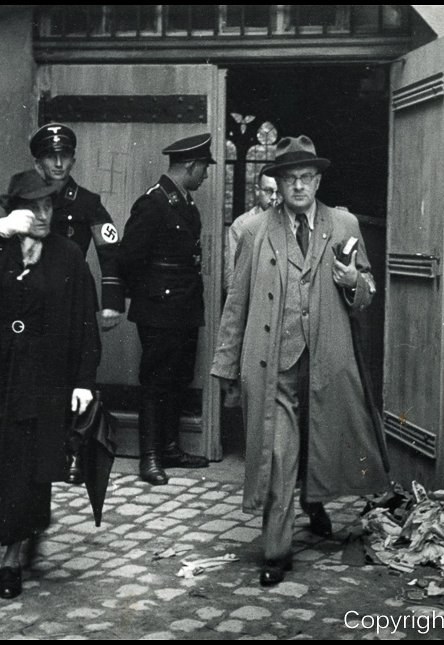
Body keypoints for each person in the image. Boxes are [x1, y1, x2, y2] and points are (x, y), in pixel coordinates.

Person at [210, 135, 390, 586]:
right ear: (278, 182)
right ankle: (276, 549)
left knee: (321, 443)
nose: (298, 187)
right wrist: (226, 368)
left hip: (327, 362)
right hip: (274, 364)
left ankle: (314, 503)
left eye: (307, 178)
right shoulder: (254, 230)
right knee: (278, 450)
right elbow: (237, 302)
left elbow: (367, 292)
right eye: (289, 179)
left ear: (318, 180)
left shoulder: (344, 224)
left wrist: (353, 281)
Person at [0, 170, 101, 600]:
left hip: (43, 379)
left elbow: (86, 323)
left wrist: (84, 381)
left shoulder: (68, 255)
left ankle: (11, 556)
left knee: (23, 463)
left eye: (49, 206)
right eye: (33, 207)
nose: (42, 214)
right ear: (14, 210)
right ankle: (27, 524)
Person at [30, 122, 125, 485]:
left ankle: (74, 449)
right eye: (50, 157)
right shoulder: (29, 198)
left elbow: (109, 251)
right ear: (38, 162)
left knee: (79, 366)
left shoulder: (87, 202)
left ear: (73, 159)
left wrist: (112, 302)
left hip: (74, 294)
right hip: (34, 295)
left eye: (64, 156)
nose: (58, 163)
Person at [118, 133, 215, 485]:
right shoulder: (153, 204)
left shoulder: (186, 204)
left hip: (185, 308)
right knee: (155, 381)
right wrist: (154, 295)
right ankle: (150, 456)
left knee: (178, 377)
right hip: (159, 311)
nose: (206, 175)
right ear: (189, 165)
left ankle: (171, 448)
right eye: (203, 167)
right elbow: (127, 259)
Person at [224, 167, 280, 295]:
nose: (274, 197)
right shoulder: (240, 226)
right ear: (257, 191)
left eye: (279, 191)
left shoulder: (294, 222)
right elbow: (232, 276)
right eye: (268, 191)